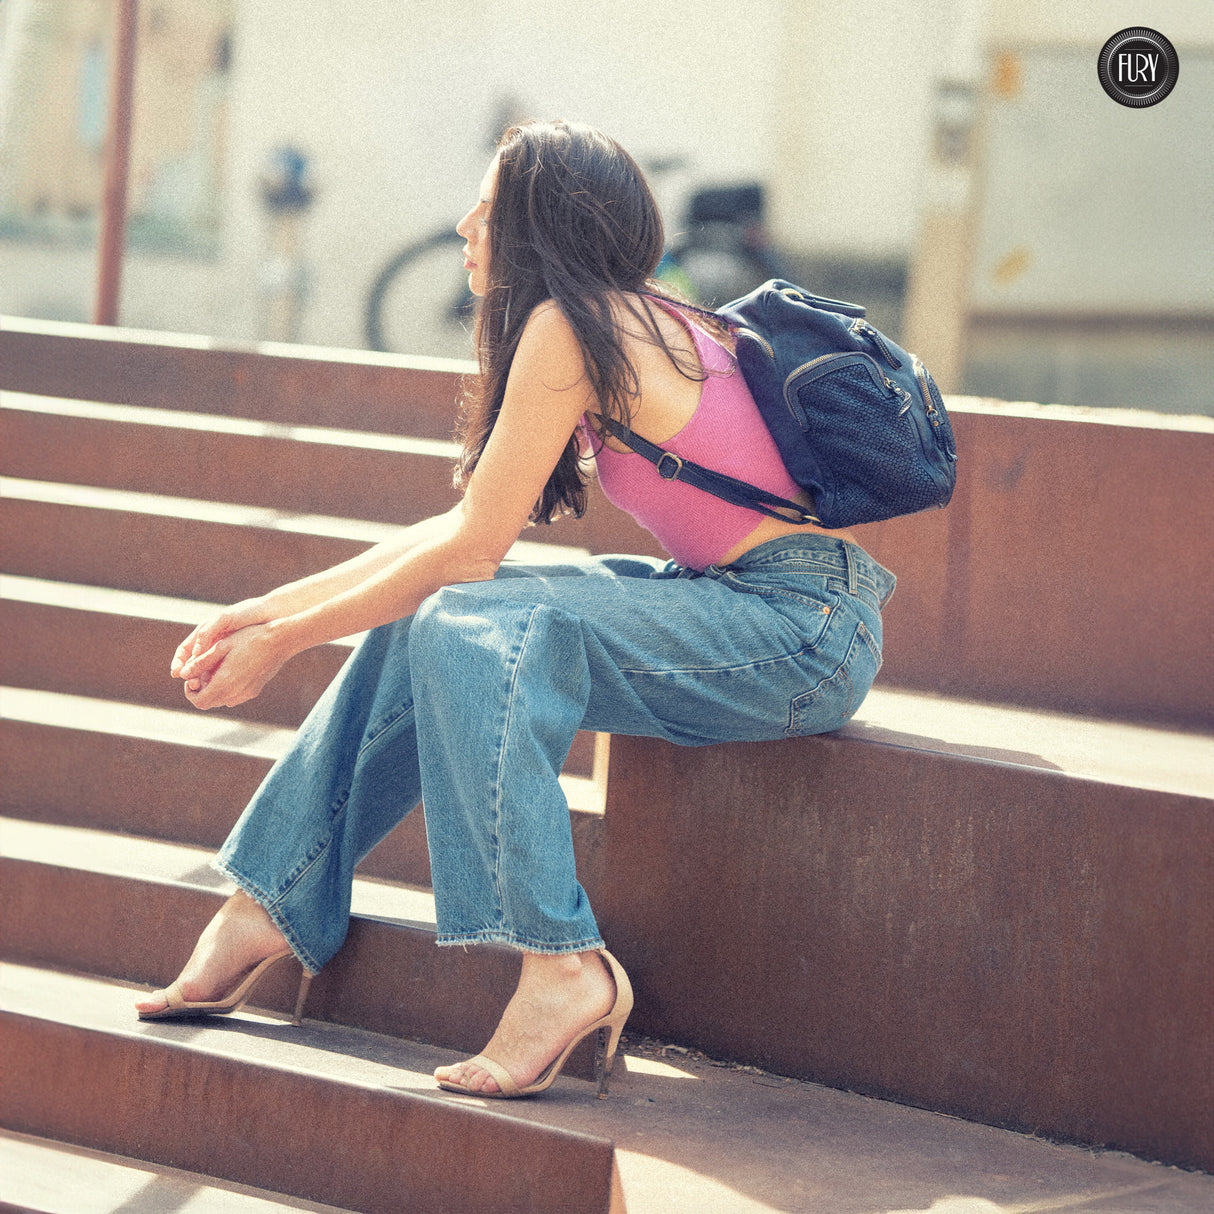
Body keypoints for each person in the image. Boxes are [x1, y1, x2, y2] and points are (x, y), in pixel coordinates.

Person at [135, 120, 896, 1100]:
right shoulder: (624, 318)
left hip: (798, 629)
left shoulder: (574, 327)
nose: (463, 223)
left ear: (537, 224)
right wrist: (270, 608)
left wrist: (282, 640)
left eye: (486, 208)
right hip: (758, 607)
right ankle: (271, 894)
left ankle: (558, 962)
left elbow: (466, 550)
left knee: (468, 616)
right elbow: (461, 533)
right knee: (443, 612)